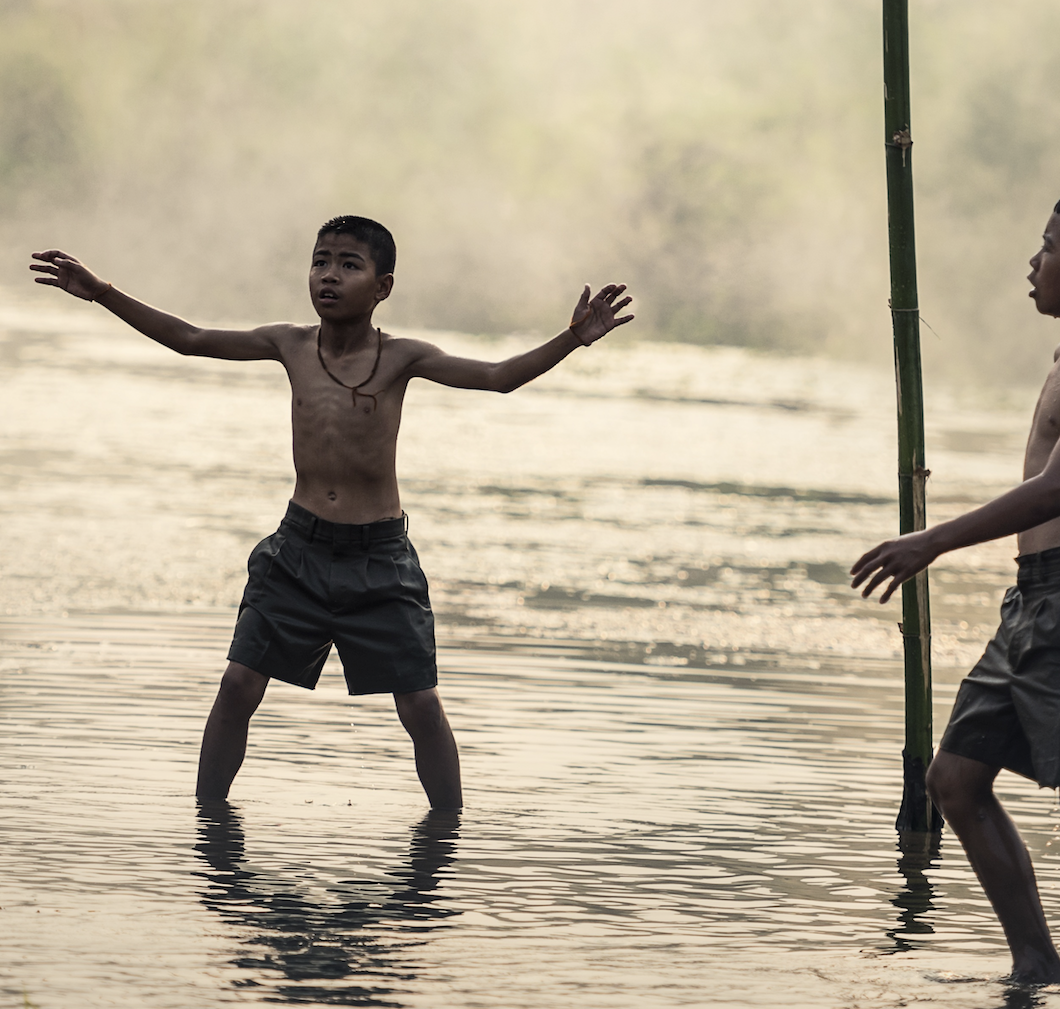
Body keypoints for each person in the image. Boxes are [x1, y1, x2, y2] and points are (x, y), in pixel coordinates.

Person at [31, 217, 633, 810]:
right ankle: (206, 830)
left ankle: (448, 838)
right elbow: (192, 339)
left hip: (380, 561)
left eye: (349, 265)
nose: (329, 275)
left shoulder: (402, 357)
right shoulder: (289, 343)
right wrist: (103, 293)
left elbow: (498, 378)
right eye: (321, 261)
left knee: (420, 704)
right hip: (298, 551)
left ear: (383, 287)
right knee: (239, 684)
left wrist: (571, 339)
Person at [851, 184, 1060, 987]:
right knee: (954, 780)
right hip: (1033, 600)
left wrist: (932, 540)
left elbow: (1059, 490)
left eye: (1048, 248)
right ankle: (1036, 963)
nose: (1033, 263)